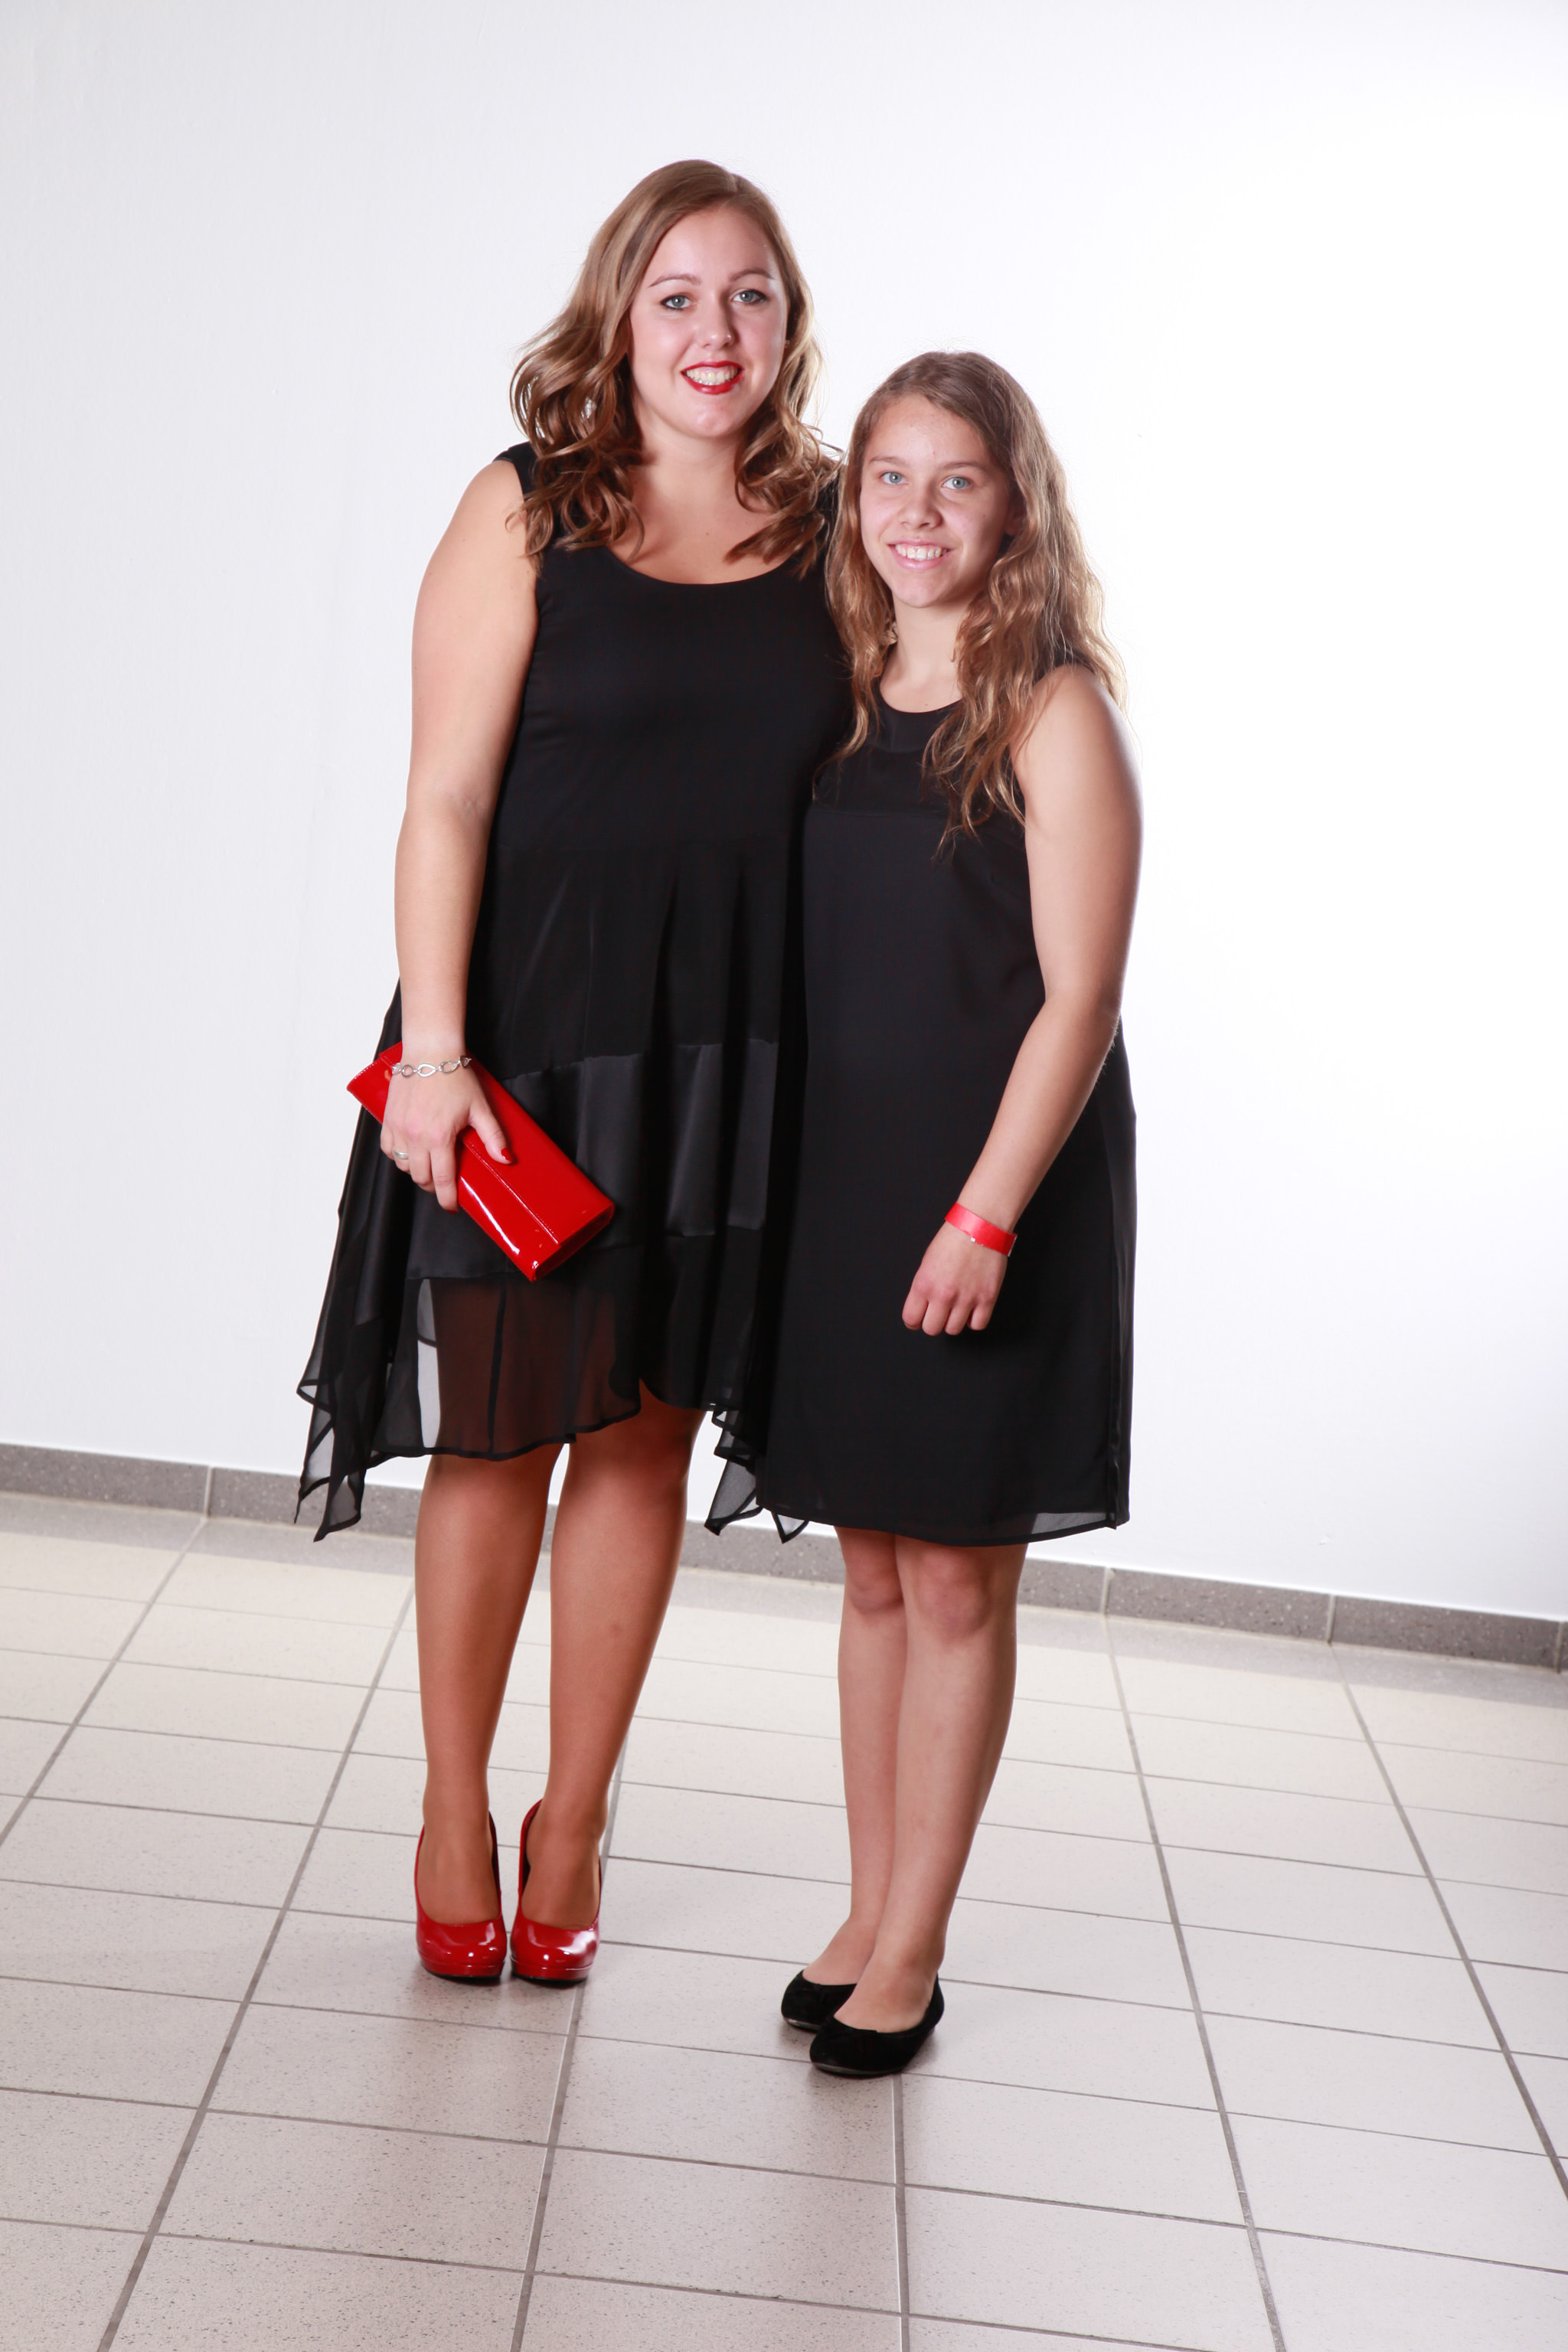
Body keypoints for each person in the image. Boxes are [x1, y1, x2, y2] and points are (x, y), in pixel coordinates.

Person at [297, 161, 846, 1985]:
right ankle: (455, 1810)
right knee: (495, 1442)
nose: (714, 331)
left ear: (788, 322)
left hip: (723, 1060)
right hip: (522, 1048)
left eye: (749, 294)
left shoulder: (839, 525)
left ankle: (578, 1815)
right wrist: (436, 1052)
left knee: (638, 1444)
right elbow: (445, 796)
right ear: (619, 314)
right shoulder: (526, 507)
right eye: (677, 295)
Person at [709, 351, 1141, 2074]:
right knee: (875, 1577)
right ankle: (866, 1903)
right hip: (841, 1183)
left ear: (1014, 502)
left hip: (988, 1193)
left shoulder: (1052, 710)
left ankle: (916, 1945)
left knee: (957, 1581)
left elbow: (1080, 1001)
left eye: (957, 479)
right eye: (888, 475)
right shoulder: (834, 695)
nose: (917, 511)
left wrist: (986, 1218)